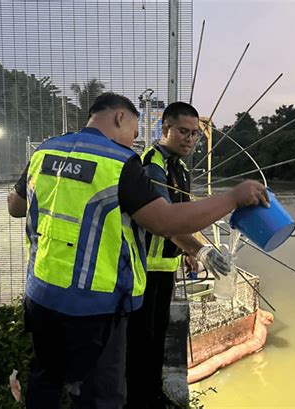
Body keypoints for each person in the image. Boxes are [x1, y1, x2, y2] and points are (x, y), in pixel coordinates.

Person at [8, 92, 269, 409]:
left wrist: (197, 251)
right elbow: (164, 220)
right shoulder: (120, 163)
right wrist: (232, 199)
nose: (133, 141)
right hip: (95, 304)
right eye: (133, 132)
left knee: (46, 381)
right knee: (101, 395)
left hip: (42, 294)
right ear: (120, 117)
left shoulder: (45, 152)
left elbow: (16, 206)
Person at [125, 102, 228, 409]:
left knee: (157, 337)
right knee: (142, 340)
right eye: (183, 132)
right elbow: (165, 220)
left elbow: (182, 218)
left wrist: (187, 253)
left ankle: (152, 395)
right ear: (165, 128)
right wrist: (202, 248)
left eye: (196, 134)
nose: (190, 140)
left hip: (165, 265)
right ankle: (138, 399)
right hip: (143, 268)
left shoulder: (179, 168)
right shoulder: (151, 164)